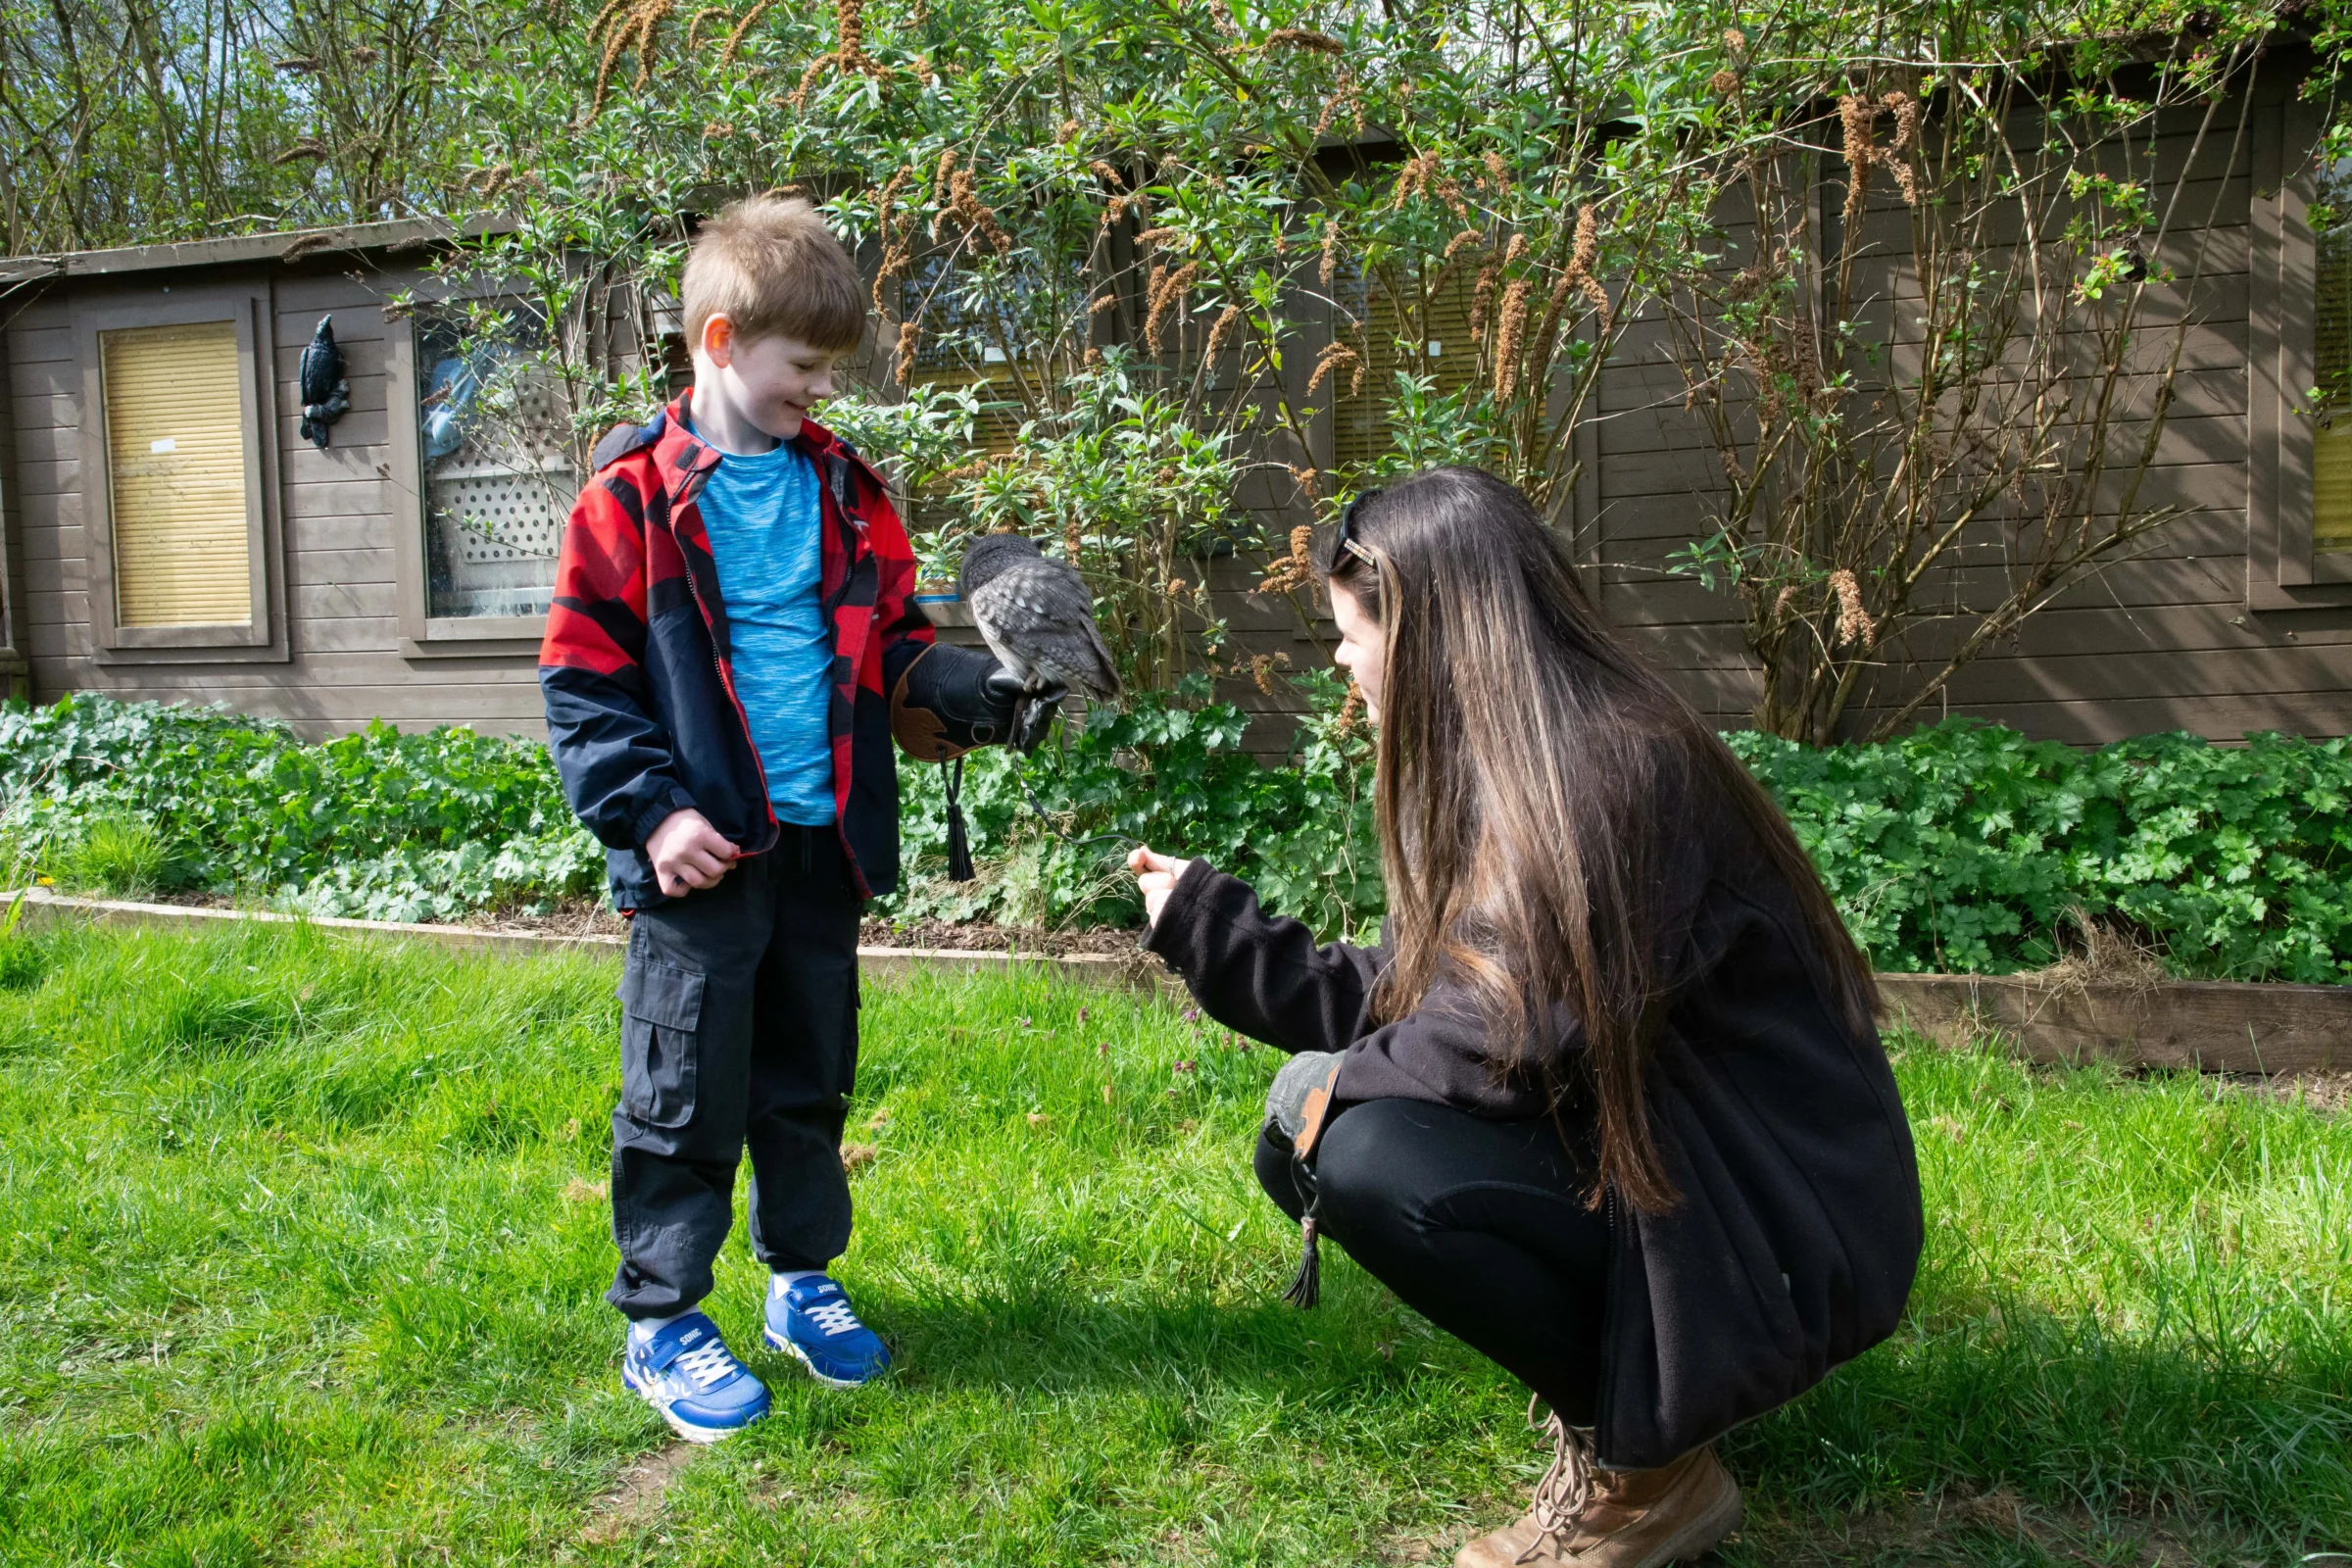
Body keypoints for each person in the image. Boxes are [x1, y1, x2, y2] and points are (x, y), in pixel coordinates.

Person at [1128, 467, 1922, 1567]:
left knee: (1357, 1154)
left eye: (1348, 636)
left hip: (1777, 1225)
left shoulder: (1611, 777)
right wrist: (1214, 929)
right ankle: (1638, 1400)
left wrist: (1327, 1084)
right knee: (1306, 1137)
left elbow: (1494, 1050)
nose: (1344, 668)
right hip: (1695, 1185)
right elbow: (1443, 993)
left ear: (1423, 630)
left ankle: (1653, 1473)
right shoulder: (1542, 758)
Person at [541, 195, 1050, 1444]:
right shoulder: (627, 504)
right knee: (684, 1088)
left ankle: (799, 1281)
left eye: (827, 371)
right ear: (720, 343)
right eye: (801, 367)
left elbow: (890, 646)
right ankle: (661, 1319)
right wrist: (650, 814)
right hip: (701, 858)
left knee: (808, 1077)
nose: (817, 392)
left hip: (822, 849)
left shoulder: (845, 490)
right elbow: (582, 682)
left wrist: (963, 691)